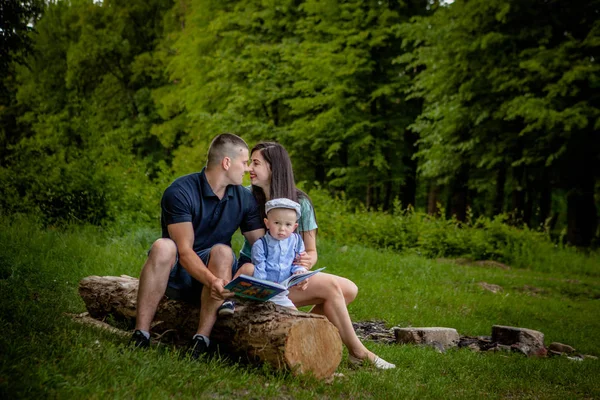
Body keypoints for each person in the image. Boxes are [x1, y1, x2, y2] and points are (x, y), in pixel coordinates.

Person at [238, 142, 396, 369]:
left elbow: (311, 252)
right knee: (332, 289)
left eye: (256, 163)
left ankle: (303, 330)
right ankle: (358, 352)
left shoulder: (300, 203)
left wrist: (306, 262)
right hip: (260, 277)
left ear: (274, 167)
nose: (249, 168)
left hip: (290, 274)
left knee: (349, 289)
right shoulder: (246, 197)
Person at [129, 133, 265, 359]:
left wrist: (292, 260)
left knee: (222, 250)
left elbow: (261, 245)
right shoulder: (181, 191)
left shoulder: (244, 198)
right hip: (176, 275)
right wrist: (213, 281)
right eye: (244, 162)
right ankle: (141, 334)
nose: (248, 168)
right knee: (164, 246)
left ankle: (201, 340)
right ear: (226, 162)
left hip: (217, 274)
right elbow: (184, 252)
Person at [252, 198, 308, 309]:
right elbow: (259, 270)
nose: (282, 229)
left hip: (284, 290)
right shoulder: (261, 245)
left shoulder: (296, 241)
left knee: (295, 316)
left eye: (288, 225)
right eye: (277, 223)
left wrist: (299, 272)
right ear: (267, 223)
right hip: (266, 291)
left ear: (294, 227)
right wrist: (263, 290)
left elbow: (297, 262)